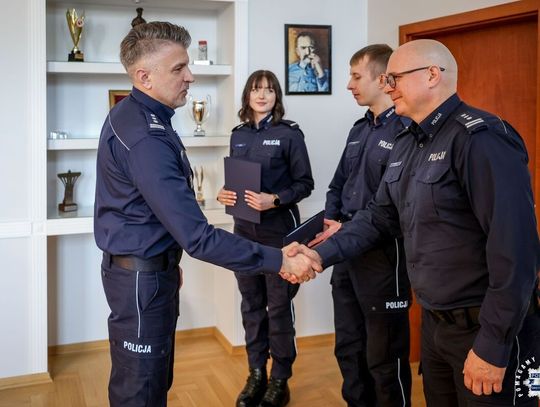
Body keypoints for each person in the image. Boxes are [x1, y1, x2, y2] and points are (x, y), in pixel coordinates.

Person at [287, 39, 540, 406]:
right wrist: (320, 254)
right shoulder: (408, 142)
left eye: (395, 78)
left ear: (432, 75)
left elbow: (517, 251)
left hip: (490, 329)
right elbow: (378, 217)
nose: (388, 88)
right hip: (437, 326)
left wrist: (493, 344)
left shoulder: (481, 139)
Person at [94, 22, 319, 407]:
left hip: (151, 270)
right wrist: (281, 260)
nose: (190, 76)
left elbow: (149, 208)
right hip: (144, 277)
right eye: (179, 68)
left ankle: (278, 378)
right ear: (144, 77)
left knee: (151, 382)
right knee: (141, 391)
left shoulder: (134, 115)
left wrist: (167, 262)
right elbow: (198, 237)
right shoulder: (147, 136)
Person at [309, 44, 411, 407]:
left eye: (355, 76)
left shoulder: (405, 131)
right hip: (345, 252)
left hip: (382, 257)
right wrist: (332, 221)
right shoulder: (358, 130)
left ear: (383, 79)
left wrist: (345, 233)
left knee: (384, 357)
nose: (349, 85)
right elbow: (337, 185)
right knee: (349, 348)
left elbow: (390, 205)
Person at [217, 69, 314, 407]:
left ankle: (280, 379)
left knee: (279, 308)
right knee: (251, 306)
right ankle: (256, 373)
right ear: (247, 95)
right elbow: (237, 182)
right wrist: (225, 193)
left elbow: (305, 184)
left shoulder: (289, 134)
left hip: (279, 236)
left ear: (277, 97)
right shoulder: (238, 135)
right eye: (256, 89)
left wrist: (274, 199)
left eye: (269, 90)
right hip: (244, 234)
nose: (262, 95)